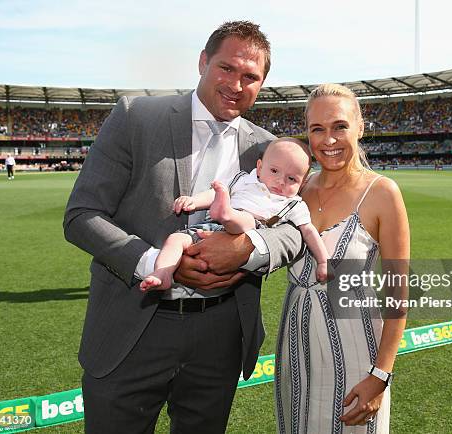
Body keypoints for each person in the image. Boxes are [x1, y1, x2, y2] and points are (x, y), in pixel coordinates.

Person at [63, 21, 303, 433]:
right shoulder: (136, 116)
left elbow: (295, 227)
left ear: (261, 84)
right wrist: (156, 262)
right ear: (202, 62)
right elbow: (81, 215)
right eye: (226, 68)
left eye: (251, 77)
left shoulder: (270, 148)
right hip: (134, 324)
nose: (236, 84)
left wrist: (248, 249)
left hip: (221, 331)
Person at [275, 84, 410, 433]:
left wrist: (380, 376)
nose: (328, 139)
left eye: (339, 126)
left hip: (356, 352)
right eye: (317, 129)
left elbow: (399, 296)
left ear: (360, 127)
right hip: (296, 343)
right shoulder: (296, 187)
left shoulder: (381, 192)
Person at [140, 137, 330, 292]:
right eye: (274, 171)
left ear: (303, 183)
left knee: (246, 220)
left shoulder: (293, 204)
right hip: (211, 228)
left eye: (291, 179)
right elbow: (212, 193)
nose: (281, 181)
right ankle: (163, 273)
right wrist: (194, 201)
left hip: (249, 230)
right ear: (260, 166)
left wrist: (323, 261)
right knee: (176, 239)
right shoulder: (243, 180)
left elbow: (308, 232)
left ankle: (226, 213)